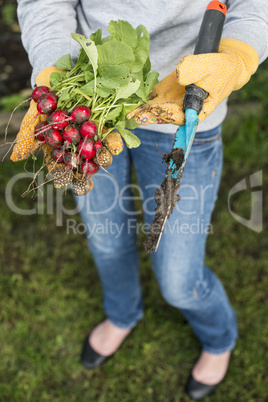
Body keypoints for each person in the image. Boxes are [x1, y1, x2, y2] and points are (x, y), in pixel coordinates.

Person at [14, 0, 268, 399]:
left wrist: (237, 54)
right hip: (91, 110)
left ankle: (220, 338)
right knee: (104, 236)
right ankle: (122, 313)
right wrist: (54, 77)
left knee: (179, 280)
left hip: (185, 104)